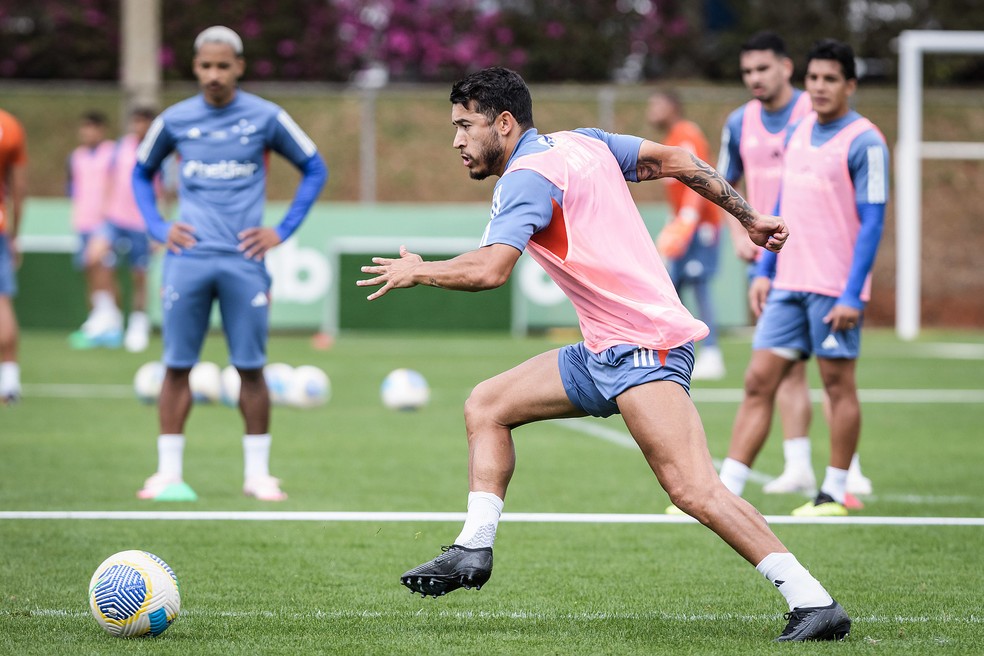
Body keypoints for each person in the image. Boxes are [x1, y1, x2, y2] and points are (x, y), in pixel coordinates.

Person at [358, 67, 850, 642]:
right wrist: (750, 217)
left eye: (466, 126)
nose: (457, 140)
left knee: (693, 488)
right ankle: (473, 548)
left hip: (643, 347)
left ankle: (812, 600)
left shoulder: (525, 178)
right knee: (487, 404)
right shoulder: (583, 143)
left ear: (505, 122)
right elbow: (676, 159)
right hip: (603, 350)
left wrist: (422, 271)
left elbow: (491, 269)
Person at [131, 26, 327, 502]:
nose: (214, 75)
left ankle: (257, 475)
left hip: (244, 261)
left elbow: (314, 167)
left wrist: (281, 230)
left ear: (239, 66)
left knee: (250, 367)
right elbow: (140, 172)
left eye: (223, 66)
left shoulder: (266, 117)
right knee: (177, 365)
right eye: (206, 66)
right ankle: (167, 474)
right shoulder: (174, 120)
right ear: (195, 68)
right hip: (187, 259)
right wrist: (158, 227)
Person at [720, 40, 889, 517]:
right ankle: (725, 489)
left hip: (834, 289)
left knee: (838, 387)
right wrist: (766, 270)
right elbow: (782, 210)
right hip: (787, 284)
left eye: (830, 79)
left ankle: (834, 491)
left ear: (850, 86)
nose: (818, 87)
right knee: (758, 380)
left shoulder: (866, 142)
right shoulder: (796, 132)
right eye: (814, 78)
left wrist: (854, 294)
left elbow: (873, 223)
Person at [647, 90, 725, 380]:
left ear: (672, 106)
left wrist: (688, 220)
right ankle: (675, 352)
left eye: (656, 103)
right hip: (684, 226)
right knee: (673, 289)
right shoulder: (669, 140)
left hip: (700, 228)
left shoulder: (686, 134)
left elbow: (701, 178)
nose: (651, 110)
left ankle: (712, 353)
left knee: (699, 284)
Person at [86, 106, 158, 353]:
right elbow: (109, 179)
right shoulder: (119, 148)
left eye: (145, 122)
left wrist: (159, 228)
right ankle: (109, 316)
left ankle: (138, 324)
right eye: (136, 121)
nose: (140, 127)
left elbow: (167, 192)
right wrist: (104, 211)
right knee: (94, 258)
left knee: (139, 276)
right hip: (114, 219)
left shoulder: (161, 150)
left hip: (142, 223)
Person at [67, 110, 123, 349]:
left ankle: (114, 321)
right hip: (83, 222)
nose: (87, 132)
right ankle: (102, 322)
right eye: (84, 127)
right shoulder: (76, 157)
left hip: (106, 222)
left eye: (92, 127)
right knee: (90, 272)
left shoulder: (113, 153)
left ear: (101, 130)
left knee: (101, 267)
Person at [0, 108, 28, 405]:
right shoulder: (9, 125)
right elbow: (19, 187)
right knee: (2, 301)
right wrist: (15, 235)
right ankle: (9, 382)